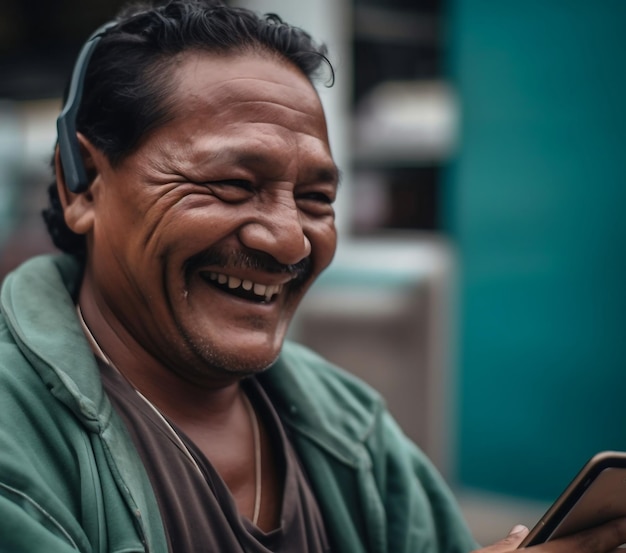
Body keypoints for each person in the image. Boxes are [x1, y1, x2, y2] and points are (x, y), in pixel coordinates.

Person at [0, 1, 625, 552]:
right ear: (80, 183)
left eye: (317, 198)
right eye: (231, 184)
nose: (290, 239)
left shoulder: (350, 430)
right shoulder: (16, 437)